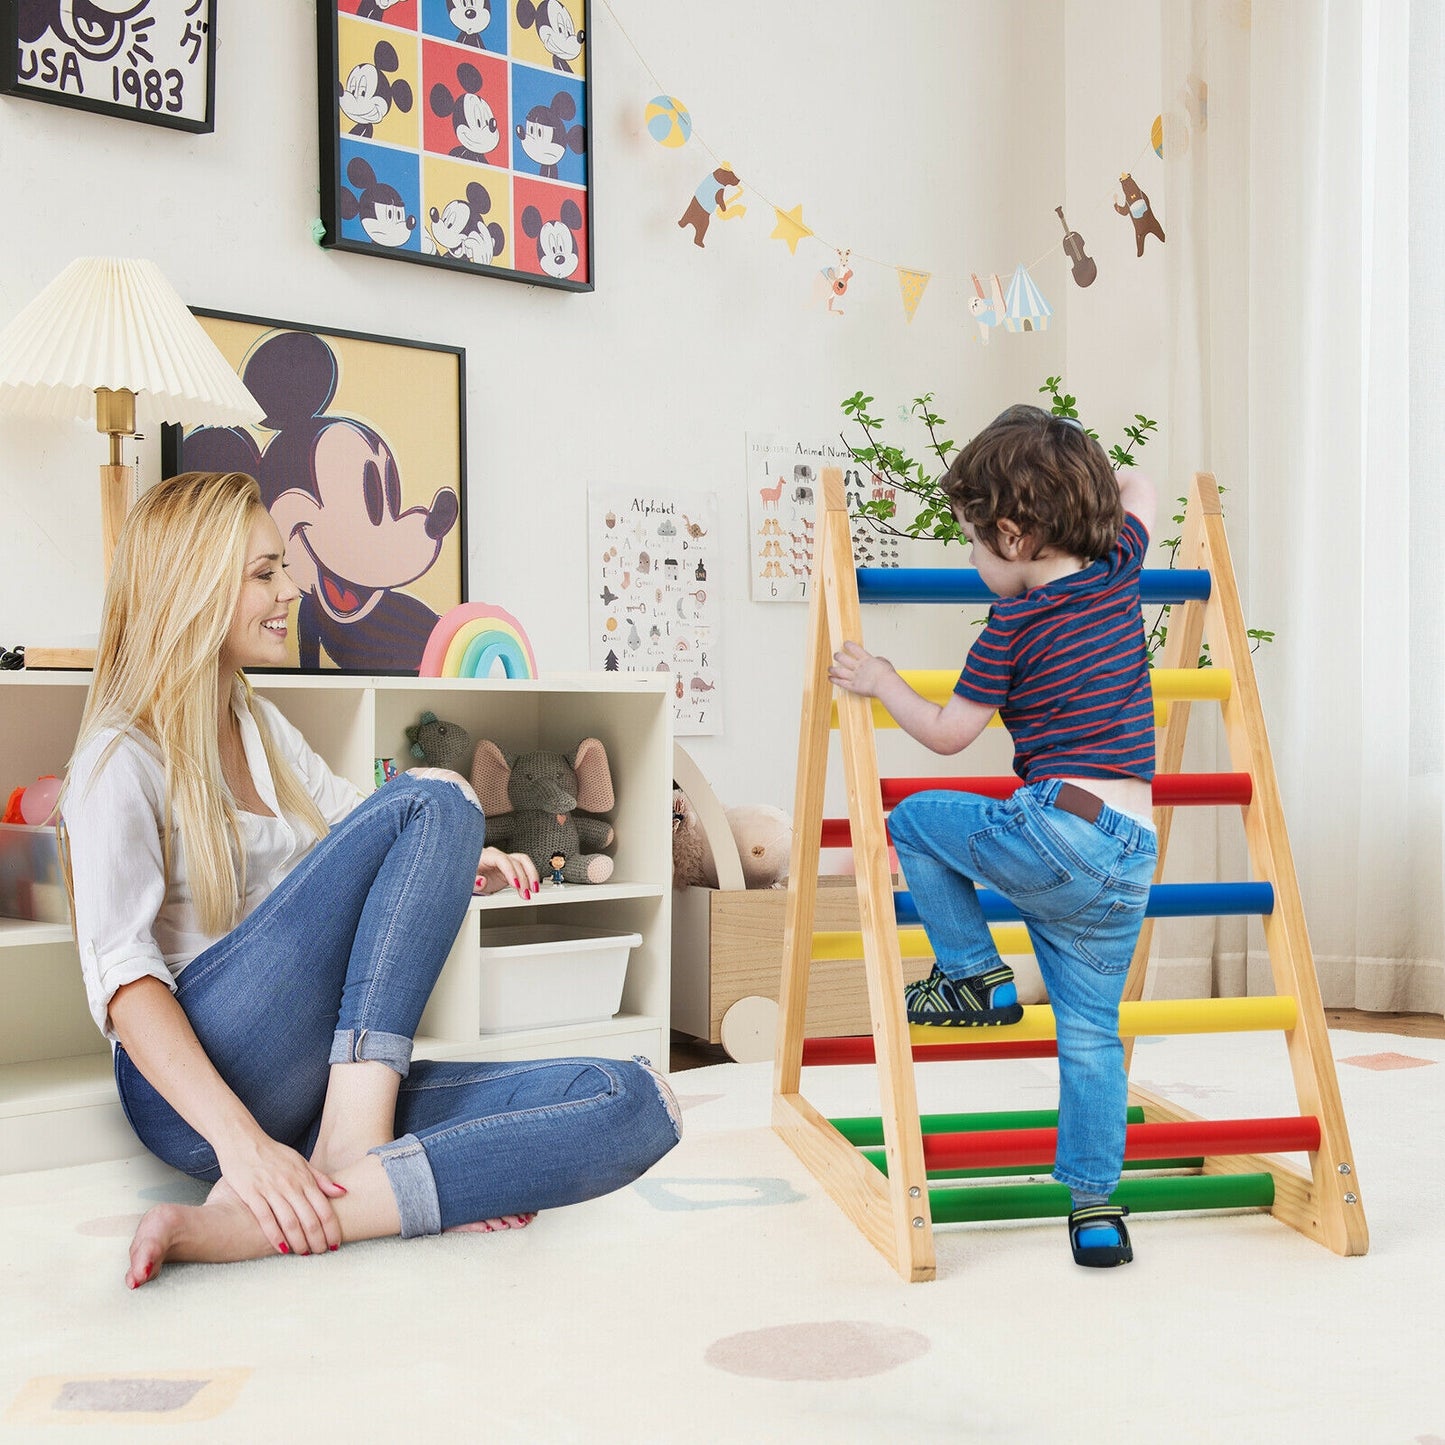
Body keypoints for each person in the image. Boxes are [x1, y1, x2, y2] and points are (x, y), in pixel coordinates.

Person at [62, 471, 681, 1290]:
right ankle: (356, 1148)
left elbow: (364, 829)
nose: (291, 588)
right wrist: (245, 1148)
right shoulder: (117, 757)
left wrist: (462, 856)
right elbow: (122, 982)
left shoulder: (255, 726)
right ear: (191, 588)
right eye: (263, 572)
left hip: (313, 1083)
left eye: (281, 567)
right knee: (439, 796)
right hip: (196, 1096)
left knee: (631, 1098)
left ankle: (306, 1204)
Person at [827, 406, 1158, 1268]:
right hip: (1130, 849)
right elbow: (1138, 486)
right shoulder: (1119, 565)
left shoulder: (1009, 627)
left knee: (912, 818)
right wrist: (1089, 490)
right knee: (1090, 1033)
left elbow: (945, 734)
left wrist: (880, 679)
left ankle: (973, 974)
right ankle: (1095, 1211)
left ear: (1012, 535)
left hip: (1059, 825)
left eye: (975, 541)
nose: (974, 561)